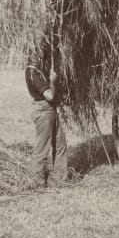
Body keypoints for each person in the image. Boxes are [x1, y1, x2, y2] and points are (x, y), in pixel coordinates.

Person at [25, 48, 69, 187]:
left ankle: (60, 179)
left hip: (49, 109)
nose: (41, 55)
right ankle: (37, 183)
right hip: (44, 110)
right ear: (31, 55)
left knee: (60, 144)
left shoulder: (37, 70)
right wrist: (53, 81)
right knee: (42, 147)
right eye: (37, 53)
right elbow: (50, 95)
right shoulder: (33, 73)